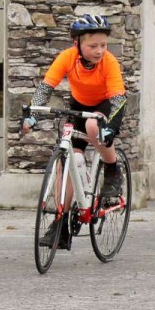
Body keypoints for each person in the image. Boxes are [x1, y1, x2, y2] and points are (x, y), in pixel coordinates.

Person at [23, 14, 127, 249]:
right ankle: (61, 223)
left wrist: (110, 127)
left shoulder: (109, 62)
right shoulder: (67, 58)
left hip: (104, 106)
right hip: (78, 106)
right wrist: (33, 114)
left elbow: (119, 100)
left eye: (103, 45)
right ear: (77, 44)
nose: (99, 50)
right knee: (70, 158)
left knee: (93, 126)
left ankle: (112, 169)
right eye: (93, 46)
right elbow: (46, 87)